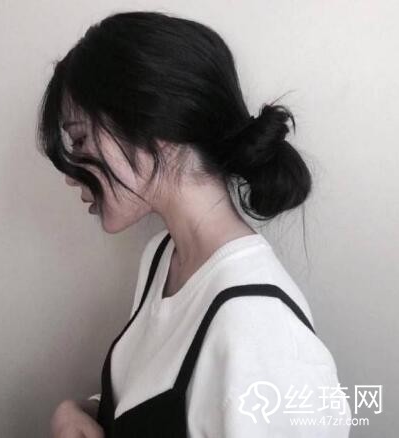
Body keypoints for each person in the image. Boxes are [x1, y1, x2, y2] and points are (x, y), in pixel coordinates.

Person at [37, 11, 352, 438]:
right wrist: (77, 411)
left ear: (155, 127)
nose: (72, 175)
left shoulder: (259, 333)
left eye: (79, 140)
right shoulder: (163, 257)